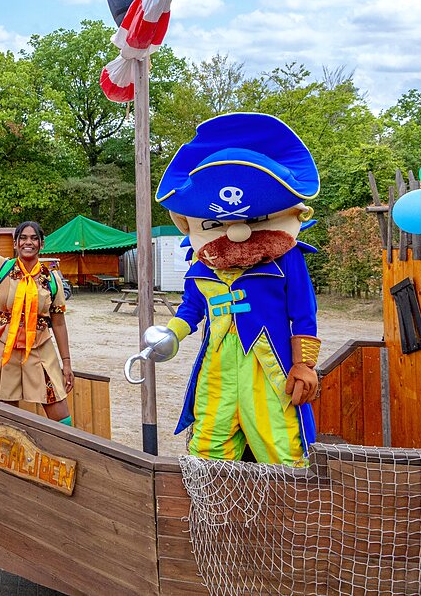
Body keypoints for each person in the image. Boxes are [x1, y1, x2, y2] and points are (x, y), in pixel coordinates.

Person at [133, 112, 320, 465]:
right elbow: (191, 310)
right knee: (209, 446)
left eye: (253, 220)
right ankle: (216, 517)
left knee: (283, 447)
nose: (237, 232)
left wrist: (304, 364)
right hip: (217, 369)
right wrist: (169, 336)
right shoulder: (202, 265)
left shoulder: (287, 261)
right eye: (219, 222)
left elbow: (303, 315)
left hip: (268, 367)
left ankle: (286, 516)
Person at [0, 175, 74, 425]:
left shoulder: (51, 278)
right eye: (23, 238)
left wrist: (66, 363)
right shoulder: (1, 267)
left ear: (41, 243)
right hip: (6, 345)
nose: (28, 242)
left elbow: (58, 323)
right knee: (8, 415)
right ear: (15, 244)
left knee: (60, 413)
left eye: (33, 238)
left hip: (40, 345)